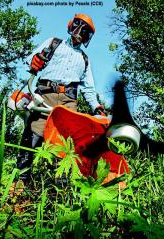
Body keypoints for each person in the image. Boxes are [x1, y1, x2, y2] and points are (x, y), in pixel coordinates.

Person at [17, 13, 106, 181]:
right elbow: (31, 59)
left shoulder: (84, 59)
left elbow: (88, 89)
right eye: (78, 27)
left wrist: (96, 107)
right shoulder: (54, 43)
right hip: (45, 95)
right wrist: (34, 61)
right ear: (72, 26)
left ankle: (61, 186)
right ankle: (21, 180)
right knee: (34, 134)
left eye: (85, 31)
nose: (80, 32)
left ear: (88, 36)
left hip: (68, 101)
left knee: (66, 143)